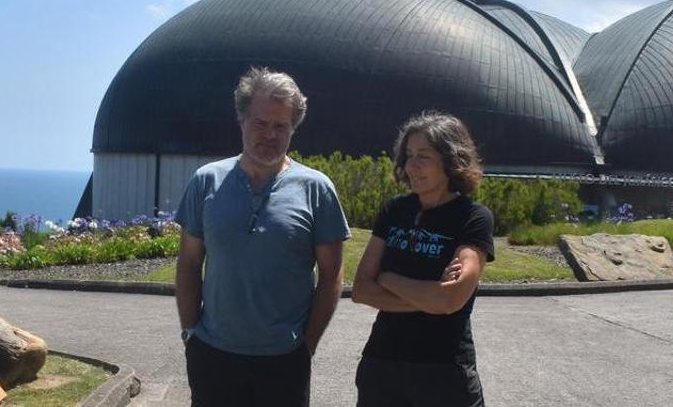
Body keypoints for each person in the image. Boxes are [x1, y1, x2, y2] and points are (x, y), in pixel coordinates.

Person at [175, 66, 351, 407]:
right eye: (260, 123)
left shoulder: (316, 189)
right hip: (213, 356)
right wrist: (189, 334)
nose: (269, 134)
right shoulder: (206, 181)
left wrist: (307, 345)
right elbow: (189, 263)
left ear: (292, 129)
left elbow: (332, 275)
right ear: (242, 121)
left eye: (280, 126)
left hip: (284, 360)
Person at [352, 111, 495, 407]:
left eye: (424, 156)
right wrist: (429, 299)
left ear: (451, 159)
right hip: (382, 364)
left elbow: (450, 299)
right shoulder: (394, 210)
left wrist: (389, 279)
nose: (411, 166)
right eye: (408, 155)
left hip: (443, 369)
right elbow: (362, 290)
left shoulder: (473, 218)